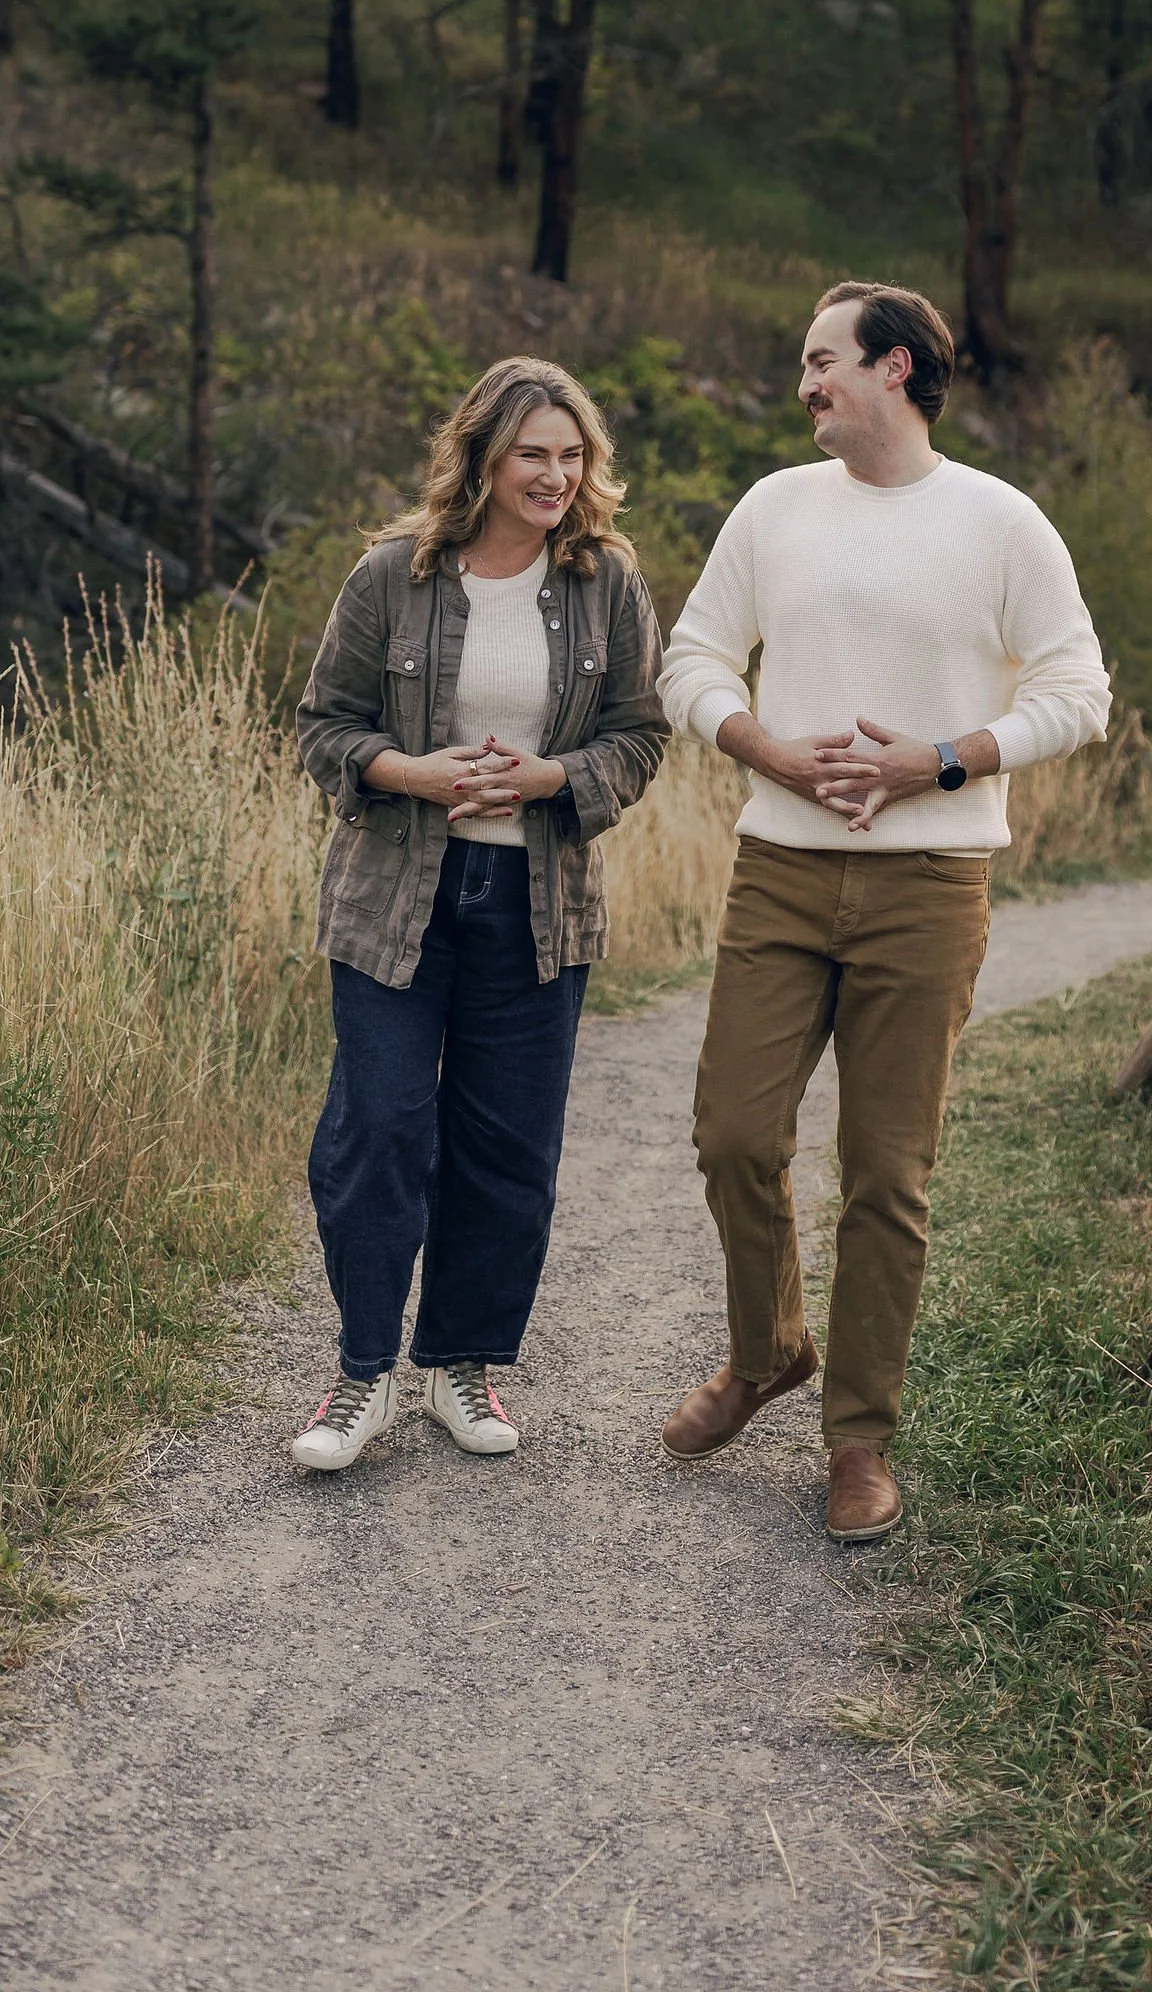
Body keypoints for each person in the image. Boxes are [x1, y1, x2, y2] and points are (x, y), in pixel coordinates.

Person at [657, 281, 1110, 1541]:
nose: (803, 385)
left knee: (885, 1175)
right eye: (802, 364)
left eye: (822, 362)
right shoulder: (773, 509)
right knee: (735, 1135)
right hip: (781, 868)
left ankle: (857, 1439)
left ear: (895, 370)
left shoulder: (1000, 523)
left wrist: (942, 759)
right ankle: (766, 1354)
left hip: (929, 884)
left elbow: (1078, 694)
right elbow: (688, 659)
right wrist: (766, 749)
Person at [292, 355, 668, 1470]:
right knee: (380, 1134)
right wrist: (412, 774)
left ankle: (462, 1365)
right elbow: (322, 729)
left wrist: (553, 782)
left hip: (535, 905)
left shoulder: (607, 580)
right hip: (395, 900)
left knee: (507, 1148)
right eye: (531, 455)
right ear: (484, 460)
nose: (554, 475)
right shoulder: (390, 577)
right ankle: (359, 1376)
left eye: (571, 455)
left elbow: (641, 736)